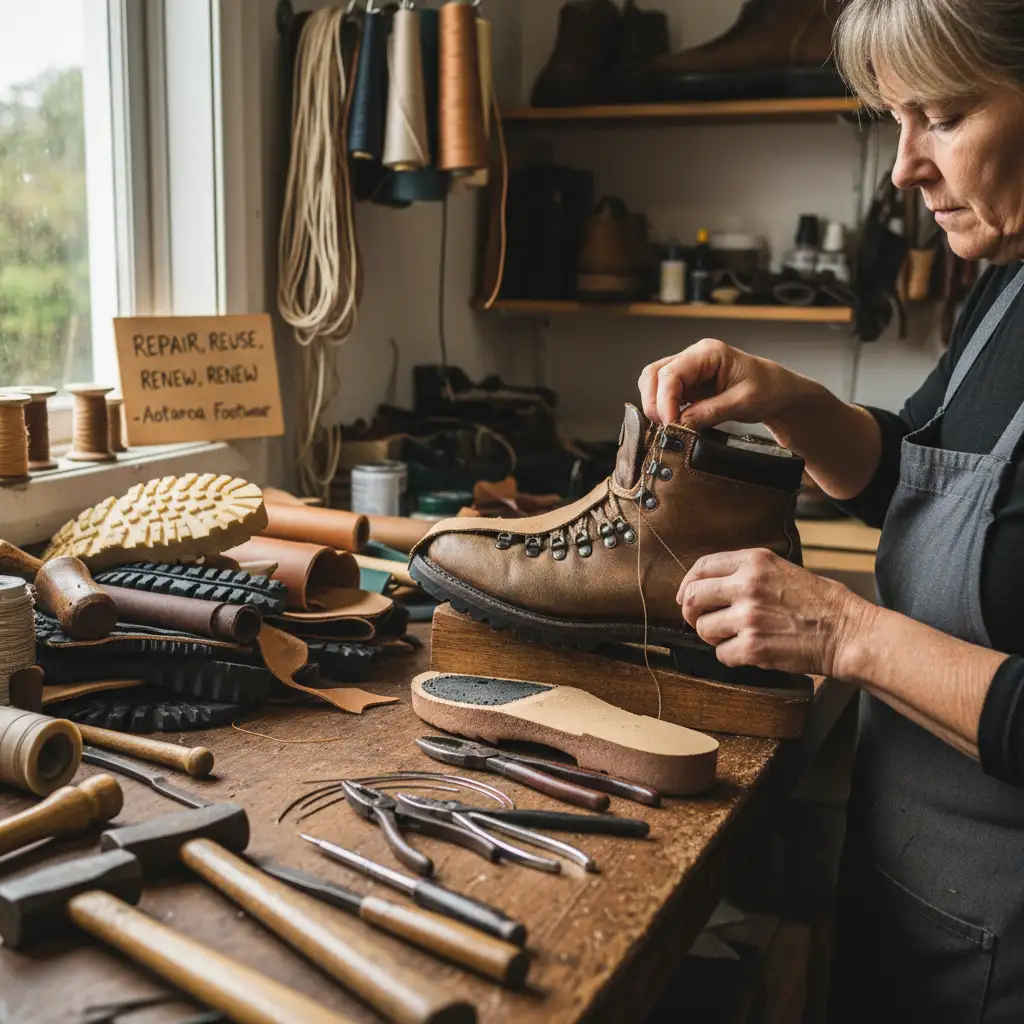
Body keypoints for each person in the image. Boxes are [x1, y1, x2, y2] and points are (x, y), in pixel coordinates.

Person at [638, 1, 1024, 1019]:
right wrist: (790, 400)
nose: (903, 168)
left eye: (939, 116)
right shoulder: (1006, 278)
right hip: (914, 900)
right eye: (894, 120)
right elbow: (928, 478)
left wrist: (842, 631)